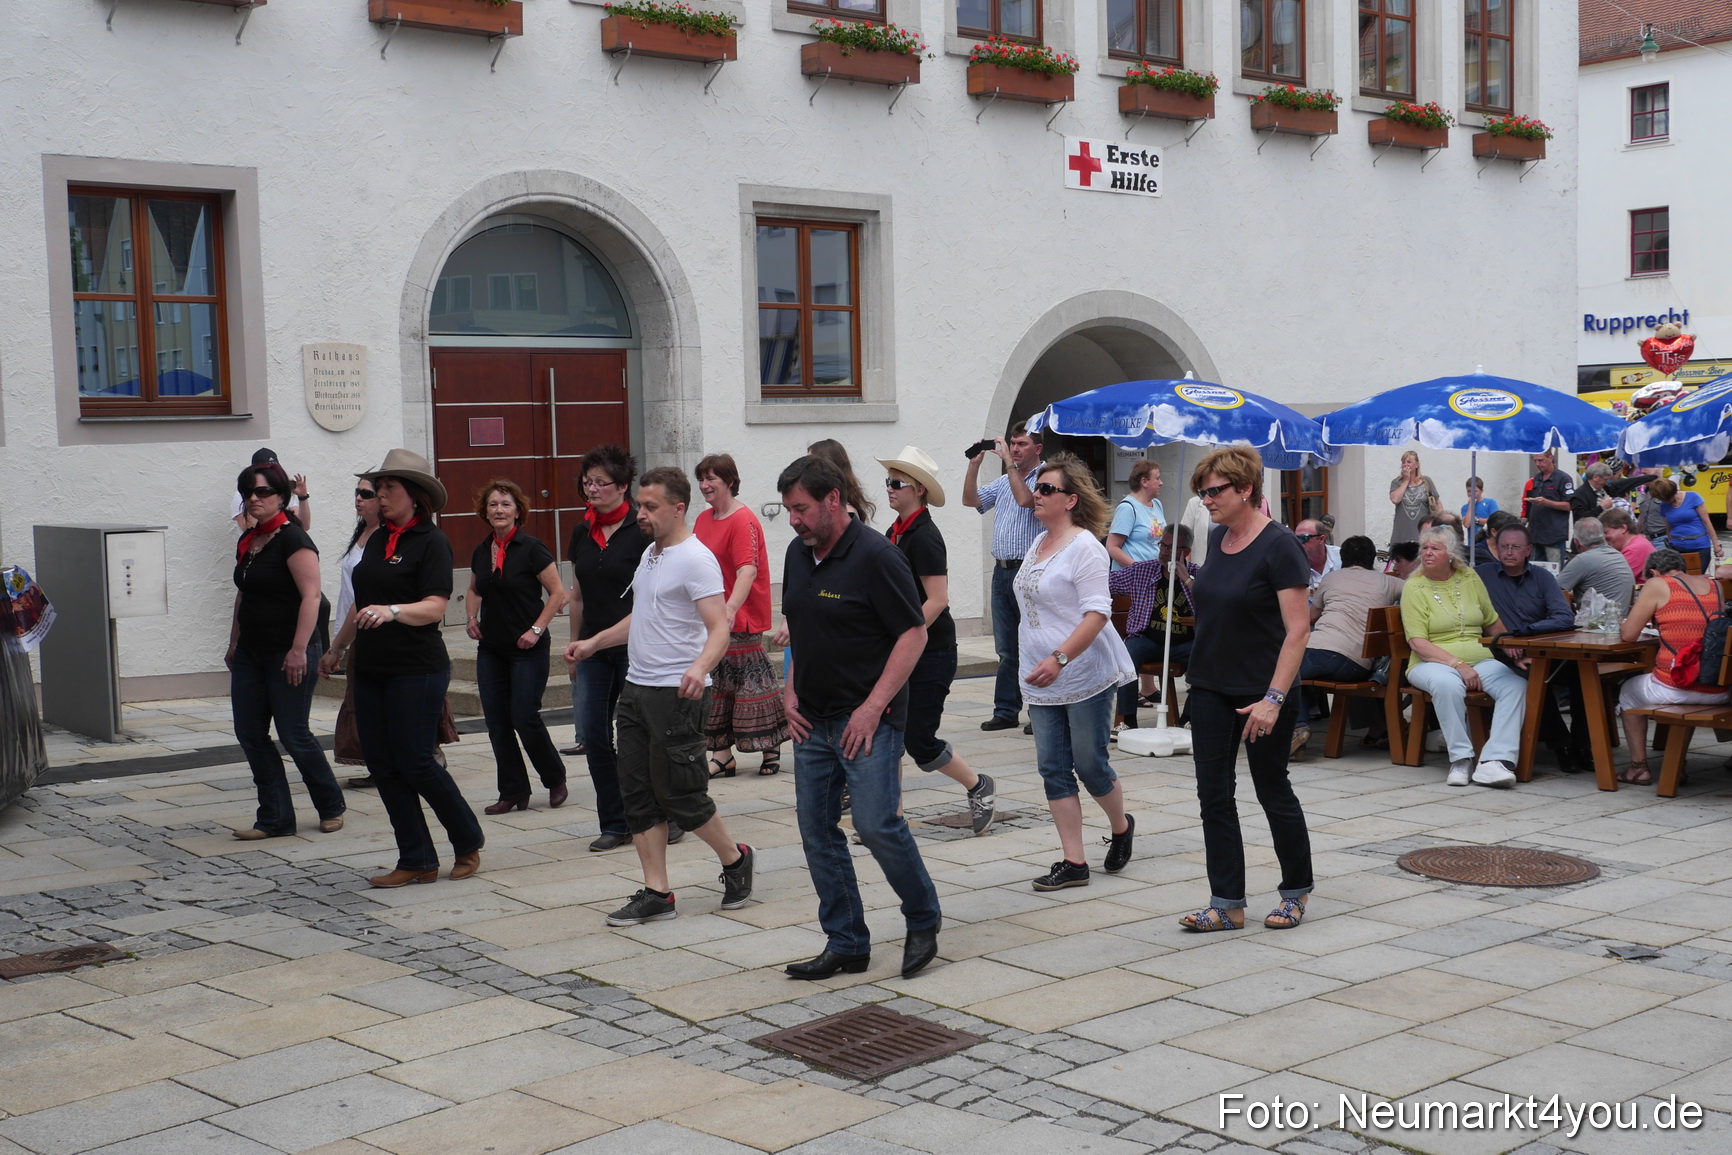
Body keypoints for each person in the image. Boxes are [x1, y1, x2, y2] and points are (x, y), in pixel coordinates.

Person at [777, 454, 942, 981]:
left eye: (802, 508)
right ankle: (846, 941)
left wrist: (873, 709)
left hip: (866, 718)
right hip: (812, 719)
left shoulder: (877, 556)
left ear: (833, 500)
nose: (795, 520)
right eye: (788, 511)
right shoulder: (797, 554)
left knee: (876, 824)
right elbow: (802, 626)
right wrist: (789, 691)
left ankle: (923, 918)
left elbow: (913, 634)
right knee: (816, 831)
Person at [568, 468, 755, 925]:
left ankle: (735, 858)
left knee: (681, 796)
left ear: (678, 508)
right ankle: (658, 892)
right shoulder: (650, 556)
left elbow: (719, 627)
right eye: (640, 506)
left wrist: (699, 667)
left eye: (650, 507)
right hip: (636, 689)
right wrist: (595, 642)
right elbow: (642, 615)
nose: (641, 514)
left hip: (677, 695)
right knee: (636, 794)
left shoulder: (696, 559)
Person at [1180, 445, 1314, 932]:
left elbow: (1298, 631)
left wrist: (1274, 700)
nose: (1206, 499)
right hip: (1211, 685)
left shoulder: (1280, 545)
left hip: (1264, 691)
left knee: (1271, 788)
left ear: (1246, 490)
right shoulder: (1217, 538)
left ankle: (1295, 892)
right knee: (1213, 795)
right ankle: (1227, 902)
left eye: (1214, 491)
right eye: (1202, 491)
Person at [343, 450, 483, 887]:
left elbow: (435, 606)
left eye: (389, 489)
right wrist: (335, 649)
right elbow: (358, 604)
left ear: (415, 496)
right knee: (382, 765)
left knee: (416, 761)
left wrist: (393, 610)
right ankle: (417, 858)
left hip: (416, 668)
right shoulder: (374, 538)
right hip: (369, 666)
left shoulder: (431, 541)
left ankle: (467, 839)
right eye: (377, 488)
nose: (379, 496)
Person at [1014, 455, 1137, 892]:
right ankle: (1074, 862)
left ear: (1071, 499)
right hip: (1039, 677)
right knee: (1052, 768)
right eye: (1037, 488)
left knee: (1089, 763)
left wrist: (1059, 658)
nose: (1037, 496)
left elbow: (1097, 614)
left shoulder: (1085, 546)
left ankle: (1121, 826)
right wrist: (1034, 659)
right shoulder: (1038, 541)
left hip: (1081, 671)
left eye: (1047, 489)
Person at [878, 446, 997, 835]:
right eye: (888, 482)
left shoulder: (925, 537)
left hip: (932, 653)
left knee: (919, 741)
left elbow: (938, 600)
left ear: (919, 491)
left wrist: (906, 633)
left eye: (897, 484)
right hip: (901, 649)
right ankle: (890, 816)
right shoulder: (893, 532)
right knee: (889, 731)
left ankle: (978, 785)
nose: (890, 489)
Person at [226, 461, 345, 840]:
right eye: (248, 492)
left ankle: (330, 805)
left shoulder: (293, 538)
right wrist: (233, 642)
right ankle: (275, 817)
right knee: (249, 732)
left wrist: (298, 650)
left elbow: (311, 596)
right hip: (251, 651)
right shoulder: (250, 538)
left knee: (294, 734)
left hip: (289, 651)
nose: (253, 498)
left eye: (262, 492)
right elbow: (244, 593)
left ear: (282, 496)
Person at [566, 445, 655, 854]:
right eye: (587, 482)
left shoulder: (643, 531)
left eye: (600, 482)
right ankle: (615, 822)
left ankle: (658, 815)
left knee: (644, 737)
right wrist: (575, 642)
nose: (592, 489)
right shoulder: (581, 531)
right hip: (594, 650)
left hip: (637, 647)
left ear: (623, 486)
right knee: (595, 736)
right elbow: (578, 595)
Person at [466, 479, 569, 814]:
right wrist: (470, 617)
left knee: (524, 717)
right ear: (485, 510)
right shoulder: (482, 550)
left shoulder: (532, 547)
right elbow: (474, 589)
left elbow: (557, 593)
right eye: (493, 504)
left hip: (528, 647)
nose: (499, 510)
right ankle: (513, 791)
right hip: (491, 648)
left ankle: (554, 778)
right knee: (496, 721)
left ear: (517, 511)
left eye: (505, 504)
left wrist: (536, 629)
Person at [1403, 526, 1526, 789]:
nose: (1427, 553)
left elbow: (1492, 622)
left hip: (1479, 658)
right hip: (1430, 662)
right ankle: (1461, 759)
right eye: (1424, 547)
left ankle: (1495, 761)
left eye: (1435, 548)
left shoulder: (1469, 577)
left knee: (1516, 685)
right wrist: (1457, 665)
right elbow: (1417, 642)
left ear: (1450, 554)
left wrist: (1512, 653)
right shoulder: (1414, 587)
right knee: (1448, 684)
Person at [692, 453, 789, 778]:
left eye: (711, 479)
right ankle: (722, 755)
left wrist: (731, 607)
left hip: (740, 614)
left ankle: (771, 745)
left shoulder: (743, 519)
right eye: (702, 479)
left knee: (752, 684)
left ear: (729, 482)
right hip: (711, 616)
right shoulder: (703, 520)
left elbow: (748, 569)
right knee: (717, 683)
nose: (705, 485)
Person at [1474, 522, 1582, 773]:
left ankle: (1584, 744)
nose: (1509, 552)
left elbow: (1564, 616)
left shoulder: (1542, 577)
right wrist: (1509, 643)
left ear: (1529, 550)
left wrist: (1528, 633)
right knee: (1535, 677)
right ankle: (1562, 746)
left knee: (1582, 674)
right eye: (1504, 547)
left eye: (1515, 547)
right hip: (1500, 653)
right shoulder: (1482, 575)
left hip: (1541, 649)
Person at [1617, 549, 1730, 785]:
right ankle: (1677, 763)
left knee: (1628, 692)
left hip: (1679, 686)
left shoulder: (1658, 584)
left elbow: (1628, 635)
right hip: (1718, 689)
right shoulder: (1714, 586)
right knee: (1681, 694)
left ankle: (1639, 768)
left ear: (1653, 572)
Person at [1294, 536, 1405, 757]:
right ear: (1372, 558)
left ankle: (1297, 729)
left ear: (1343, 558)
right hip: (1357, 664)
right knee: (1298, 677)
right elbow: (1416, 591)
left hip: (1319, 651)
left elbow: (1311, 617)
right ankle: (1298, 730)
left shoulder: (1331, 578)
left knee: (1285, 671)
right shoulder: (1388, 582)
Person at [964, 423, 1043, 732]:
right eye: (1012, 443)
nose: (1014, 449)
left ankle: (1040, 710)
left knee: (1035, 643)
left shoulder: (1044, 478)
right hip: (1001, 571)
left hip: (1029, 571)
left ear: (1037, 448)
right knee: (1007, 648)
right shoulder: (1001, 482)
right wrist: (974, 467)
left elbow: (1025, 500)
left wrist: (1009, 464)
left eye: (1021, 443)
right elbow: (971, 501)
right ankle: (1007, 710)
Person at [1107, 524, 1197, 731]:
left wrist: (1186, 579)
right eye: (1162, 546)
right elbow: (1105, 582)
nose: (1165, 552)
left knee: (1206, 658)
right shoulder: (1143, 570)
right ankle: (1128, 720)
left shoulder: (1197, 574)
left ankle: (1188, 720)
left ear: (1186, 552)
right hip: (1146, 639)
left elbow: (1212, 600)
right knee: (1127, 656)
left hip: (1185, 643)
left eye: (1171, 548)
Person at [328, 480, 383, 787]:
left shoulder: (386, 538)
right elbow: (350, 594)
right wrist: (339, 640)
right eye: (357, 493)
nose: (358, 499)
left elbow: (367, 595)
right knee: (361, 700)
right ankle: (378, 764)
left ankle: (428, 753)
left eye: (366, 494)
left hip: (375, 628)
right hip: (354, 628)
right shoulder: (361, 535)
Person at [1558, 517, 1635, 618]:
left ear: (1576, 542)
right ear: (1603, 536)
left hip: (1596, 625)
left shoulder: (1583, 560)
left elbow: (1553, 589)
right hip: (1620, 621)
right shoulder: (1617, 555)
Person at [1648, 476, 1719, 574]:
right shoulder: (1664, 505)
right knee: (1678, 580)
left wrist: (1716, 545)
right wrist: (1670, 546)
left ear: (1673, 491)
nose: (1668, 502)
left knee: (1696, 578)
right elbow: (1669, 528)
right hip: (1677, 547)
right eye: (1664, 500)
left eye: (1669, 498)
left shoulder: (1693, 497)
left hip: (1699, 546)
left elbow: (1707, 522)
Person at [231, 447, 310, 531]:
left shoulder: (279, 492)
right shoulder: (242, 494)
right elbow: (249, 528)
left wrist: (302, 497)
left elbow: (303, 526)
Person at [1105, 458, 1165, 569]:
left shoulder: (1157, 504)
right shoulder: (1127, 508)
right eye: (1157, 478)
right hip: (1132, 580)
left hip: (1153, 576)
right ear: (1144, 482)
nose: (1161, 483)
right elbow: (1112, 547)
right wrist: (1138, 568)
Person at [1526, 451, 1576, 563]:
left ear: (1550, 458)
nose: (1538, 464)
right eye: (1535, 461)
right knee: (1534, 571)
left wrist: (1546, 502)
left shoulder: (1563, 479)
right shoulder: (1537, 478)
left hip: (1554, 536)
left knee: (1555, 572)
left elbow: (1569, 505)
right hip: (1536, 535)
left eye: (1541, 460)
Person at [1388, 450, 1439, 547]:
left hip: (1422, 531)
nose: (1405, 464)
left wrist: (1440, 524)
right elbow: (1395, 499)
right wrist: (1406, 480)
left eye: (1409, 461)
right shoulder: (1396, 482)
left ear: (1417, 465)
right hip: (1402, 532)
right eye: (1403, 462)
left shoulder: (1426, 481)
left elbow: (1437, 503)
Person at [1600, 508, 1655, 581]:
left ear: (1623, 528)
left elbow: (1613, 581)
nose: (1604, 537)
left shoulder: (1633, 550)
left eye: (1606, 532)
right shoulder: (1638, 541)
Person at [1296, 518, 1340, 597]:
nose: (1300, 542)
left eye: (1305, 538)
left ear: (1321, 539)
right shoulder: (1292, 563)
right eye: (1296, 538)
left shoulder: (1341, 557)